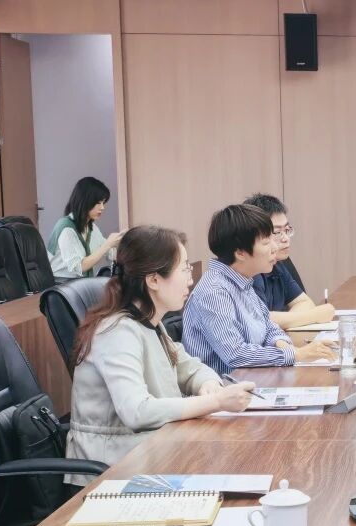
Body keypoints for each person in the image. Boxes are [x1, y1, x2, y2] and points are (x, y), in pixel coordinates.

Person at [66, 226, 256, 477]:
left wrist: (207, 384)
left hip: (151, 453)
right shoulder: (117, 332)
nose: (190, 279)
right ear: (154, 280)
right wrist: (216, 402)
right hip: (113, 471)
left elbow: (189, 367)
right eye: (184, 269)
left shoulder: (149, 322)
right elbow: (137, 411)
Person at [181, 204, 336, 374]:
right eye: (266, 242)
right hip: (226, 385)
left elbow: (269, 326)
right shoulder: (214, 291)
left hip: (253, 378)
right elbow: (236, 354)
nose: (274, 248)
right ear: (240, 252)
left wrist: (287, 347)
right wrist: (296, 354)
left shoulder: (243, 280)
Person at [242, 193, 336, 329]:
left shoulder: (277, 264)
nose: (286, 238)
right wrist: (314, 316)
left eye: (287, 230)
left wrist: (288, 321)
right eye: (277, 232)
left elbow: (304, 302)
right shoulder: (250, 271)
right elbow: (258, 320)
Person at [48, 177, 124, 279]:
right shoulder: (66, 229)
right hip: (62, 283)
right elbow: (79, 267)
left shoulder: (91, 227)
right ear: (85, 201)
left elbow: (109, 253)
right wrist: (108, 244)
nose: (102, 207)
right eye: (98, 203)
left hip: (79, 282)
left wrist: (124, 242)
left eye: (103, 203)